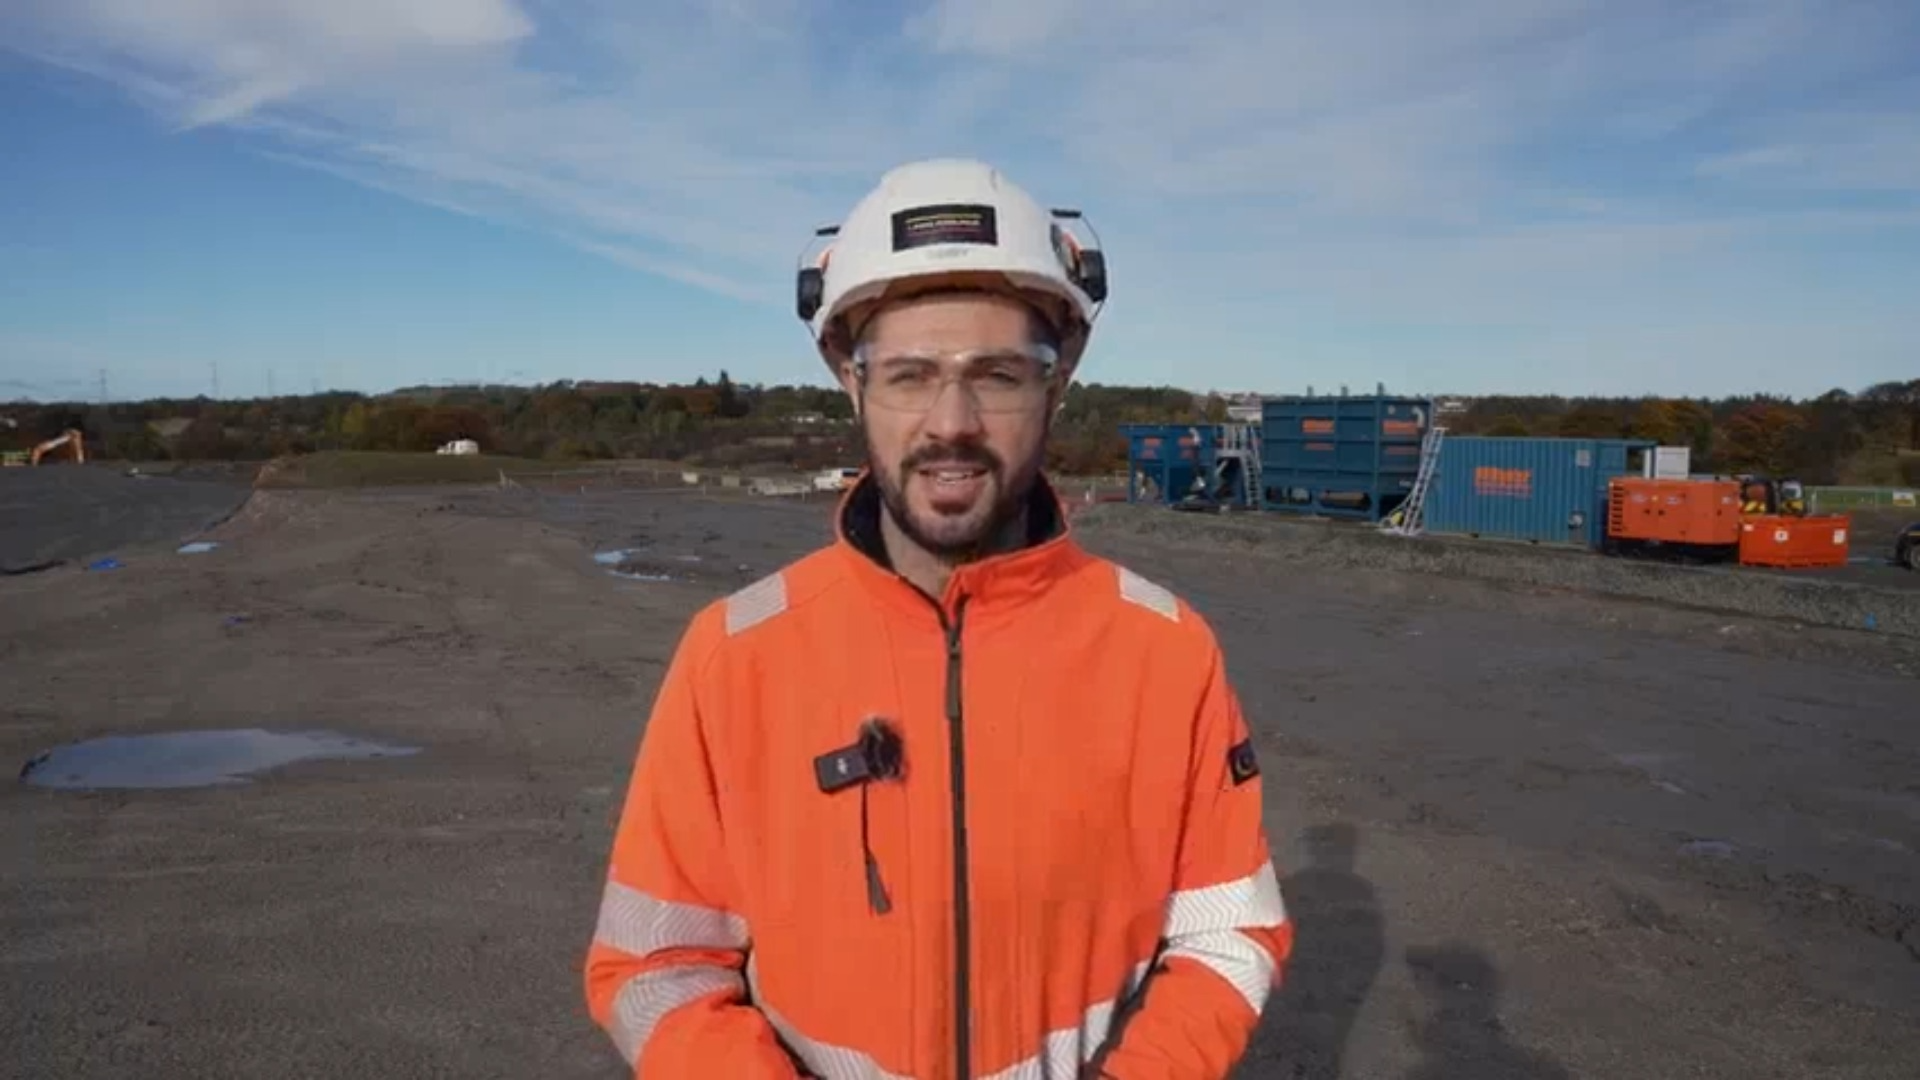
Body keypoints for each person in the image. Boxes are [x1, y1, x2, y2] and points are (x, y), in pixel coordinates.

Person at [583, 158, 1292, 1079]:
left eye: (996, 374)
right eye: (910, 375)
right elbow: (655, 965)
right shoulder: (734, 654)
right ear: (852, 381)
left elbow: (1228, 934)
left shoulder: (1165, 649)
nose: (950, 422)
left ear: (1058, 381)